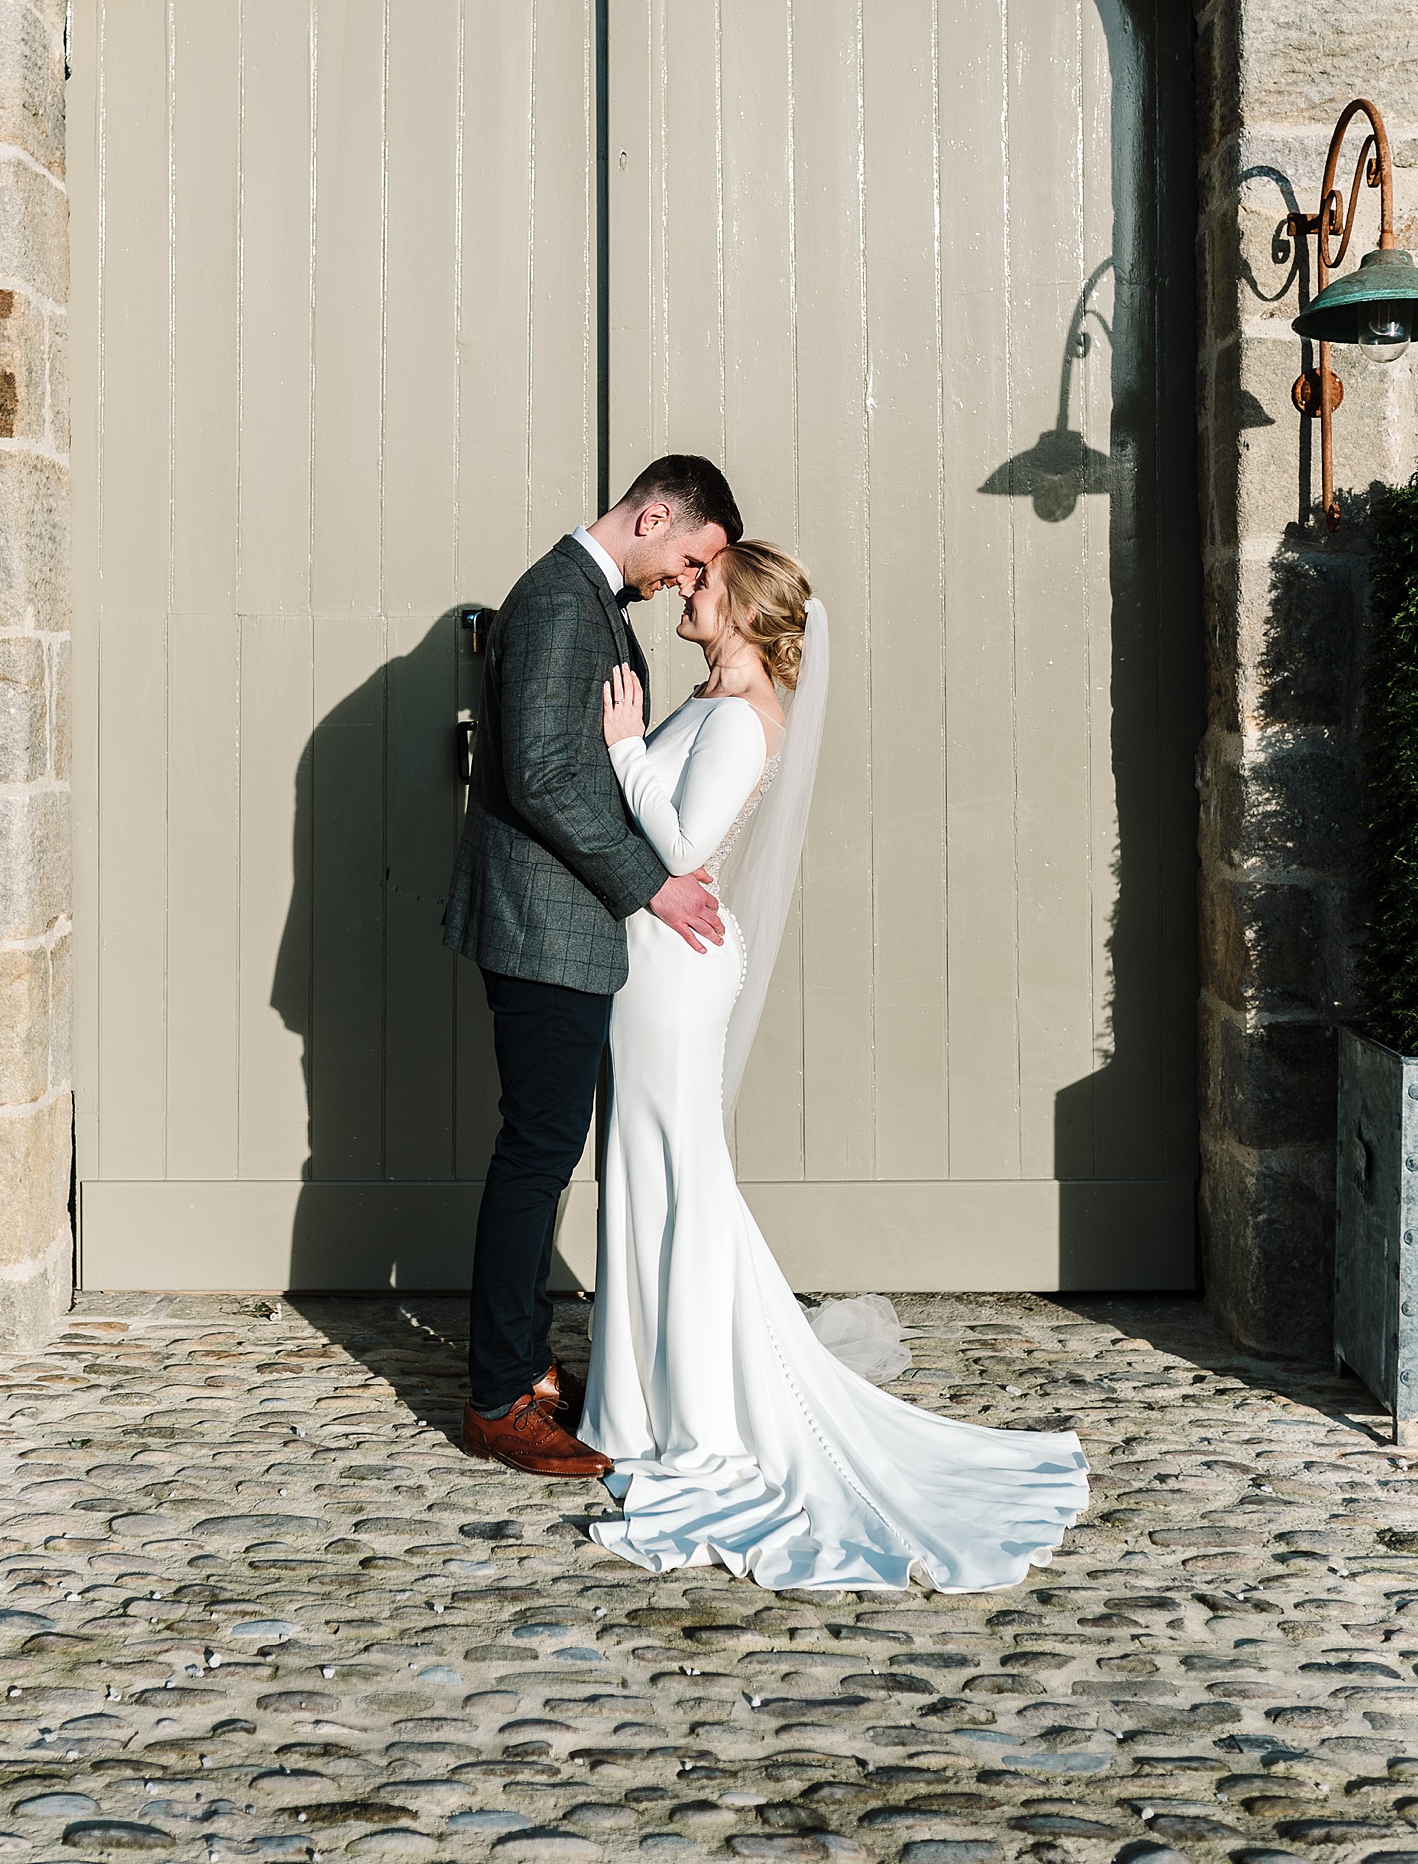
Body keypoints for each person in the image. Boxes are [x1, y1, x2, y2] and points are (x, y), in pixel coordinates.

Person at [579, 541, 1091, 1592]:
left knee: (677, 1174)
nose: (685, 586)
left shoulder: (734, 717)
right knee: (657, 1171)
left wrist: (625, 748)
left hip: (674, 972)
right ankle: (643, 1392)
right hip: (655, 965)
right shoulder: (711, 698)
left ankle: (689, 1410)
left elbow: (680, 844)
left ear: (745, 614)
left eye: (704, 583)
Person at [444, 453, 744, 1478]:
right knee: (535, 1151)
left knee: (545, 1144)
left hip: (562, 921)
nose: (686, 583)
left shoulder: (589, 602)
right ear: (653, 515)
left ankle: (522, 1365)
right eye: (691, 558)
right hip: (543, 921)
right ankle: (494, 1399)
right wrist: (648, 886)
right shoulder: (561, 600)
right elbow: (537, 773)